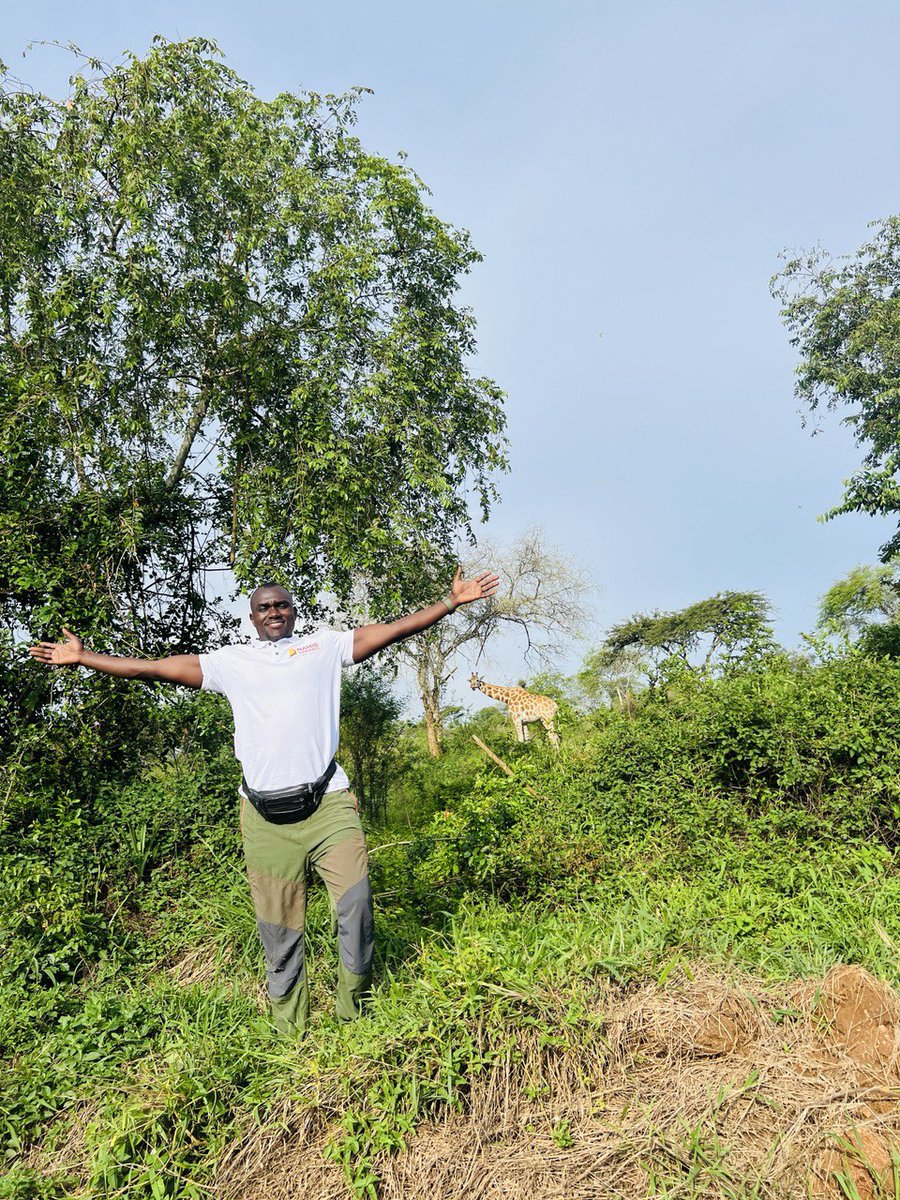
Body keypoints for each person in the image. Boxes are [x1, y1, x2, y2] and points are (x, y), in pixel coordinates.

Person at [29, 567, 499, 1033]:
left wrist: (450, 603)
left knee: (356, 907)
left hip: (328, 805)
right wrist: (86, 658)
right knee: (280, 931)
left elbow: (395, 630)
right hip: (263, 817)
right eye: (264, 607)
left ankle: (354, 1013)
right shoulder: (230, 663)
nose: (274, 612)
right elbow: (152, 668)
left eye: (281, 605)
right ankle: (288, 1029)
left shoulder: (323, 648)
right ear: (252, 618)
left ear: (294, 612)